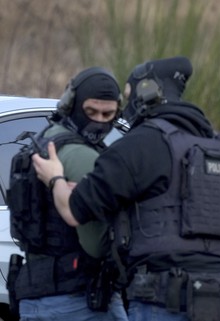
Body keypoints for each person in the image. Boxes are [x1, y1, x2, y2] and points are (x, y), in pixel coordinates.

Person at [32, 56, 220, 321]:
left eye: (129, 95)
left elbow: (73, 211)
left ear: (146, 93)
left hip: (165, 299)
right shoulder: (219, 149)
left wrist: (55, 179)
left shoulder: (140, 144)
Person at [8, 67, 128, 320]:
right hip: (80, 300)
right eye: (91, 112)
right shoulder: (80, 154)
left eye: (107, 114)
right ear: (72, 104)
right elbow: (96, 245)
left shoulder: (43, 141)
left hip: (36, 296)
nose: (99, 121)